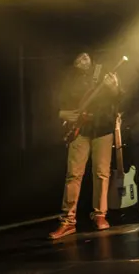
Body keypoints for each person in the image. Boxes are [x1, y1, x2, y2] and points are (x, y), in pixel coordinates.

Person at [49, 52, 121, 240]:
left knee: (102, 173)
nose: (84, 61)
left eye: (86, 57)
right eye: (79, 58)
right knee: (73, 174)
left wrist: (113, 88)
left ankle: (100, 215)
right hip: (79, 130)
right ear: (74, 62)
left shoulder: (103, 71)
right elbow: (55, 101)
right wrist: (61, 113)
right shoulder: (68, 78)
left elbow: (119, 98)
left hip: (103, 127)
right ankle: (68, 220)